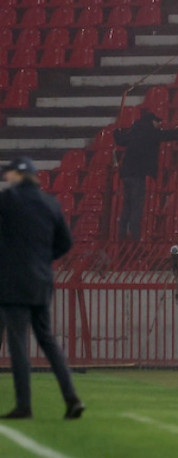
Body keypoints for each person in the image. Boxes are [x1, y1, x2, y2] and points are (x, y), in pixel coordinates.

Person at [0, 158, 84, 420]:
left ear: (15, 176)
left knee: (18, 343)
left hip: (13, 282)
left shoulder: (6, 200)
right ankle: (72, 399)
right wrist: (42, 260)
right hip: (42, 279)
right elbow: (65, 243)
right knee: (47, 341)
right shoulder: (51, 203)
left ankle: (24, 406)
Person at [113, 109, 178, 240]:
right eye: (158, 121)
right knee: (137, 207)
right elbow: (172, 135)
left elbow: (120, 140)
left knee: (127, 206)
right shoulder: (151, 133)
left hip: (126, 174)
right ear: (152, 121)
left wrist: (116, 132)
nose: (160, 124)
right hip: (139, 174)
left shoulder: (134, 131)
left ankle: (122, 235)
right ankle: (134, 238)